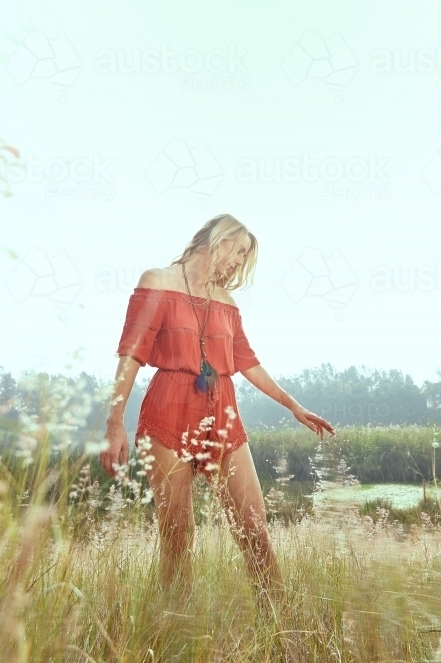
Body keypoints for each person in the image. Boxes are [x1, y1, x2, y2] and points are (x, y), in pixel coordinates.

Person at [102, 213, 335, 617]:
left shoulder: (227, 303)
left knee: (255, 531)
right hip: (167, 413)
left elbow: (247, 363)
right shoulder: (157, 281)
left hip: (223, 416)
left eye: (245, 257)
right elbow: (132, 352)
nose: (238, 263)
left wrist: (293, 404)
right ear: (218, 239)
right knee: (178, 538)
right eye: (238, 251)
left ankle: (279, 630)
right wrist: (113, 421)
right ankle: (174, 631)